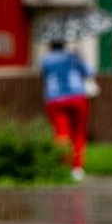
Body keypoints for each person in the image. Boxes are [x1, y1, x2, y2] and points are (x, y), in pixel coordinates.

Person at [39, 40, 93, 181]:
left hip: (55, 98)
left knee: (61, 133)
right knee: (78, 132)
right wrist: (81, 56)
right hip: (76, 96)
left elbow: (43, 76)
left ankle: (63, 165)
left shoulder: (46, 60)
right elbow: (89, 71)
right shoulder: (73, 56)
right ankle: (76, 168)